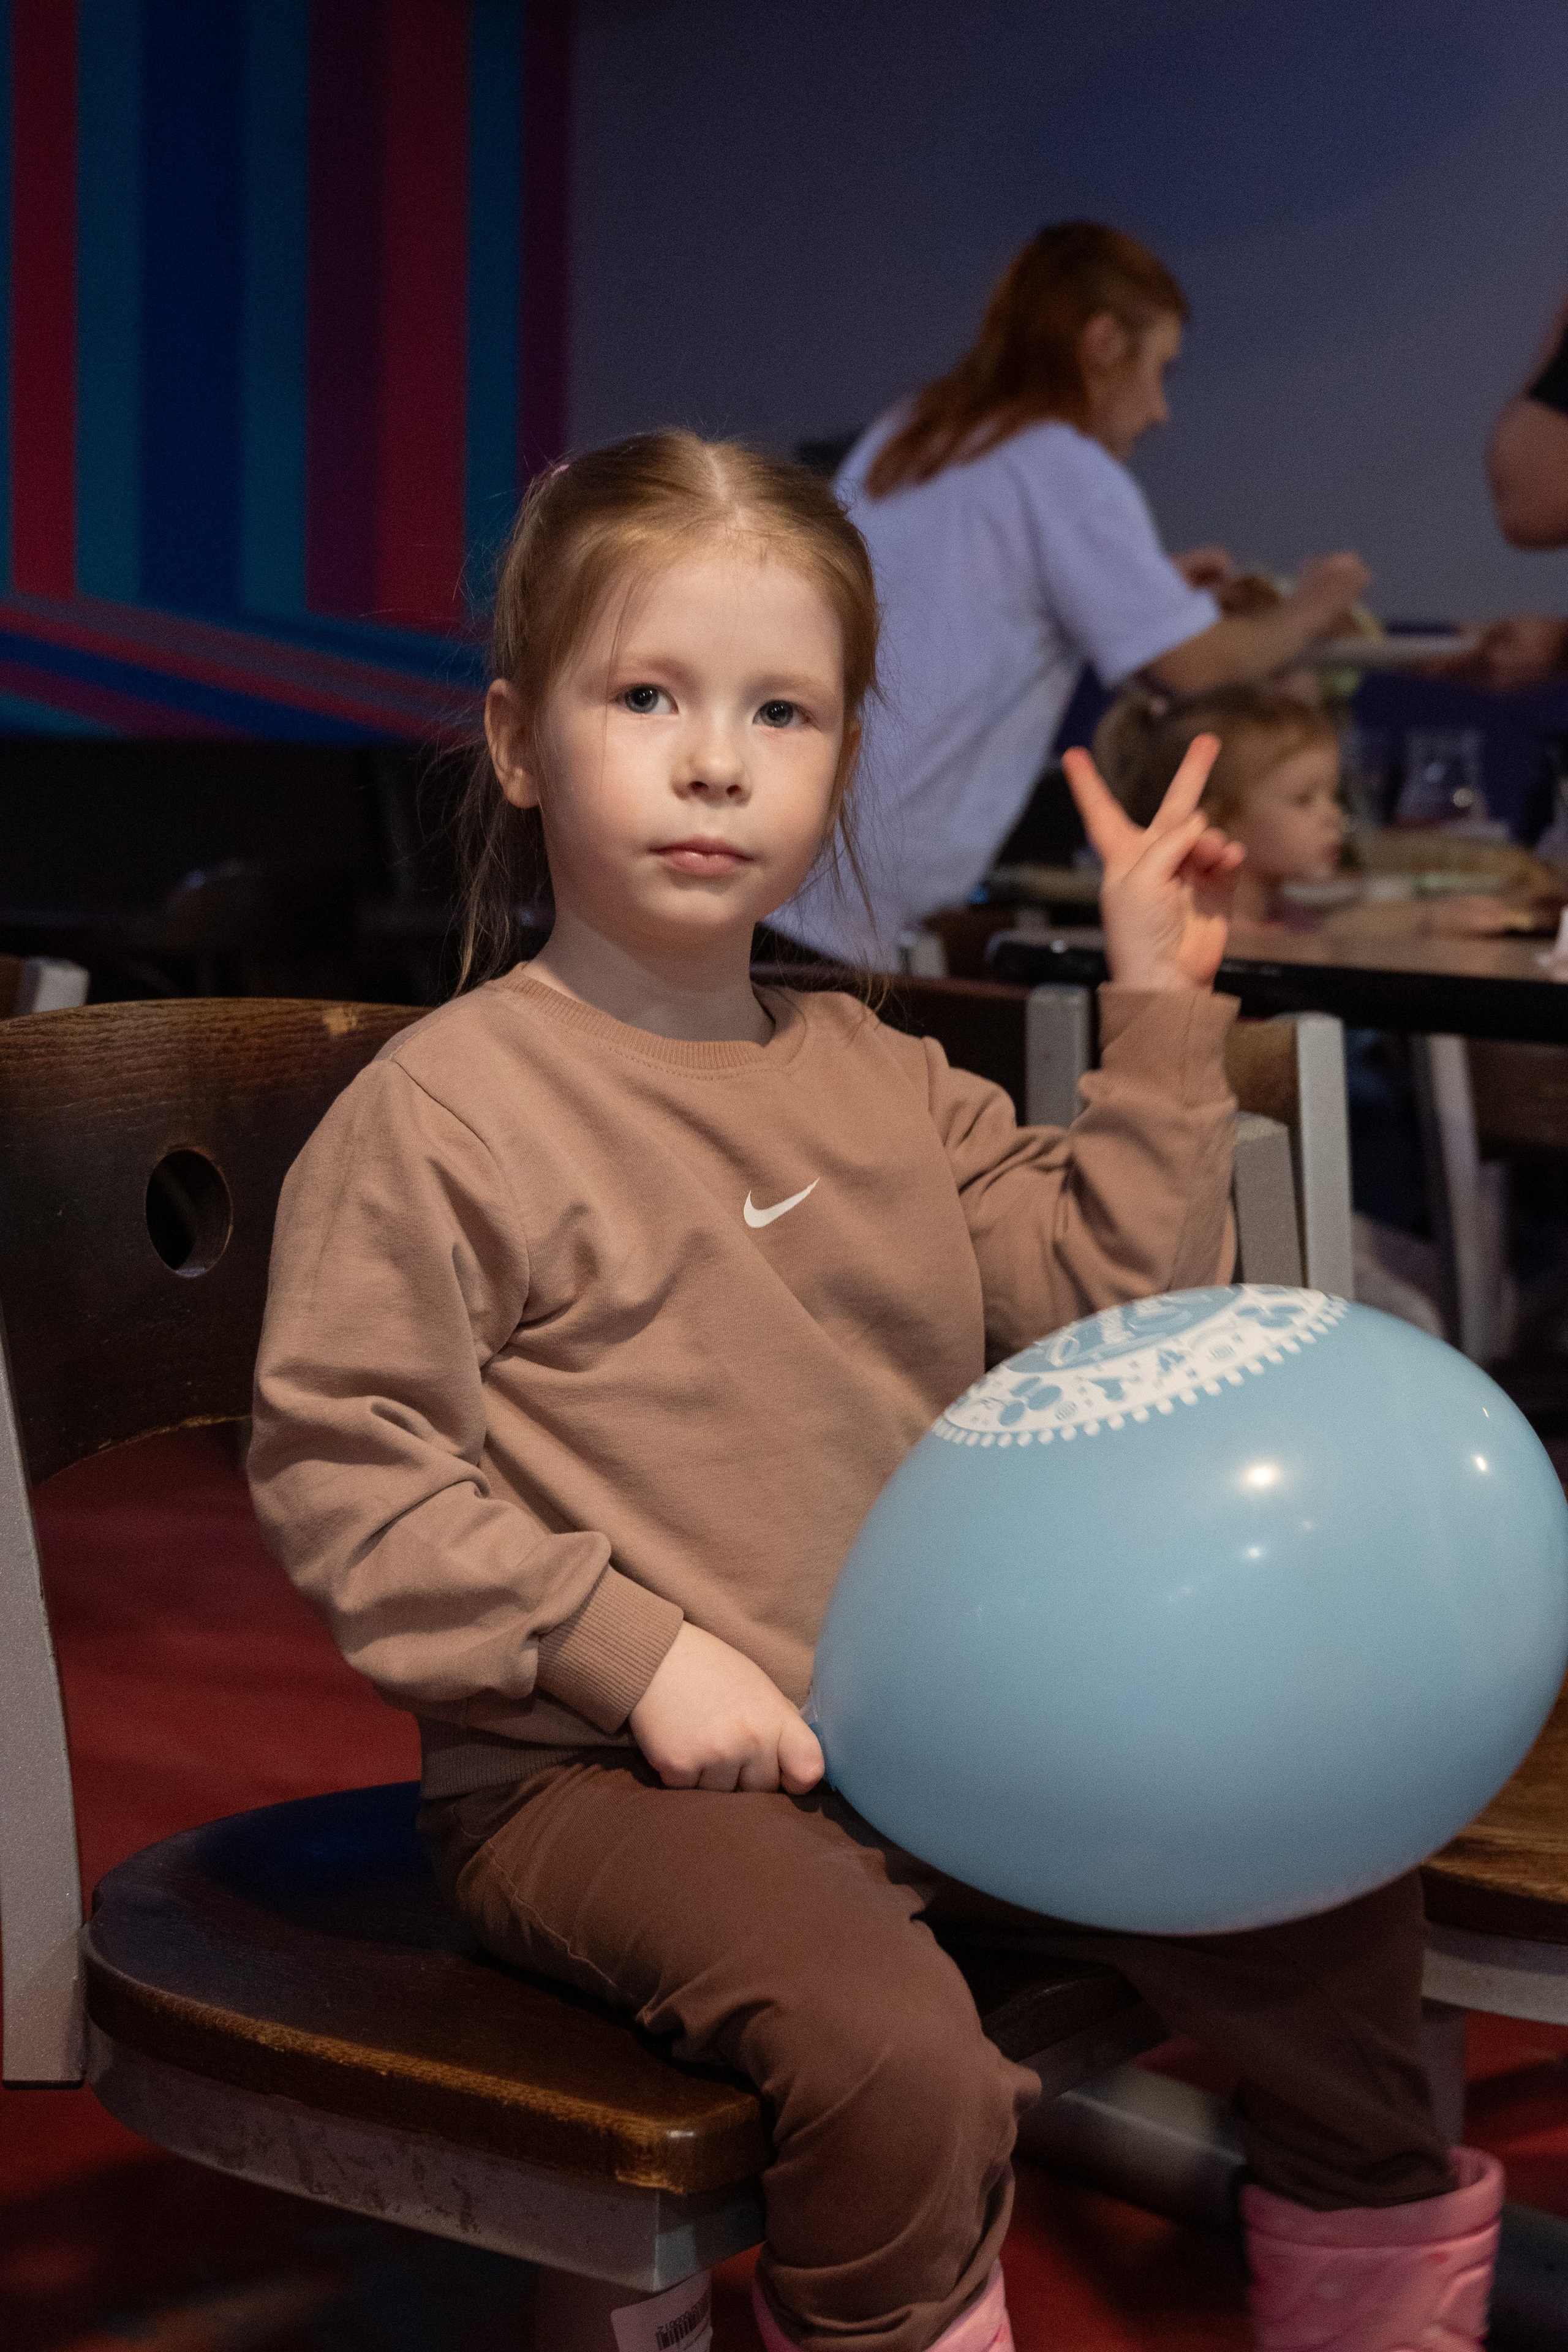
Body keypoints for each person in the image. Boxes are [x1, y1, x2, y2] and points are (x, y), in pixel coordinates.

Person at [247, 433, 1501, 2352]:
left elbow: (1113, 1307)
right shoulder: (446, 1110)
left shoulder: (873, 1064)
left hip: (928, 1741)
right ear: (515, 738)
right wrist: (635, 1648)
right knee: (898, 2063)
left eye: (782, 710)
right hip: (591, 1777)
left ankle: (1376, 2298)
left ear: (842, 755)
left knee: (1320, 1912)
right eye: (644, 694)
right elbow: (356, 1474)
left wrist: (1163, 1010)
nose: (715, 759)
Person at [772, 221, 1370, 965]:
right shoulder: (1061, 464)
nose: (1159, 411)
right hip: (840, 904)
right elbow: (1194, 665)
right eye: (1160, 370)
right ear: (1104, 343)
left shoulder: (918, 432)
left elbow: (971, 596)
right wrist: (1312, 605)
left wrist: (1141, 592)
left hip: (791, 855)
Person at [1094, 684, 1541, 940]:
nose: (1333, 817)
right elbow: (1322, 943)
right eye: (1304, 799)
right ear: (1211, 821)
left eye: (1332, 795)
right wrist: (1425, 921)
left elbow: (1330, 928)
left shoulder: (1277, 914)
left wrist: (1433, 918)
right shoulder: (1206, 934)